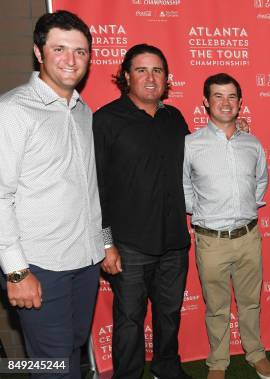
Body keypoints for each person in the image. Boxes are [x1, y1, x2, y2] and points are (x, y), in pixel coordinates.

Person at [0, 10, 104, 379]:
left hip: (86, 261)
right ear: (38, 52)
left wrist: (104, 244)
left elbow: (91, 192)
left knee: (72, 351)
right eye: (59, 49)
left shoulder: (82, 111)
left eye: (80, 51)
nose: (71, 60)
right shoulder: (12, 111)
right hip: (40, 267)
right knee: (54, 368)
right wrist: (16, 272)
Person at [93, 44, 191, 379]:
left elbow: (195, 168)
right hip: (130, 245)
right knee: (129, 320)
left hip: (175, 243)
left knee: (169, 313)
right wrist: (106, 243)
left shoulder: (174, 118)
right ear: (125, 76)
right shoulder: (105, 120)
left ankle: (167, 367)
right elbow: (96, 189)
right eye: (141, 70)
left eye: (158, 71)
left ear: (166, 78)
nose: (150, 78)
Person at [183, 73, 270, 379]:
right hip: (211, 241)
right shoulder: (191, 144)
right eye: (218, 96)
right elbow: (184, 186)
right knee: (217, 307)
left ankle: (255, 353)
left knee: (251, 303)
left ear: (240, 102)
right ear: (206, 102)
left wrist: (244, 208)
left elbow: (261, 181)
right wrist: (206, 213)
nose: (225, 102)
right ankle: (218, 362)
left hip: (249, 236)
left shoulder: (252, 143)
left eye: (232, 96)